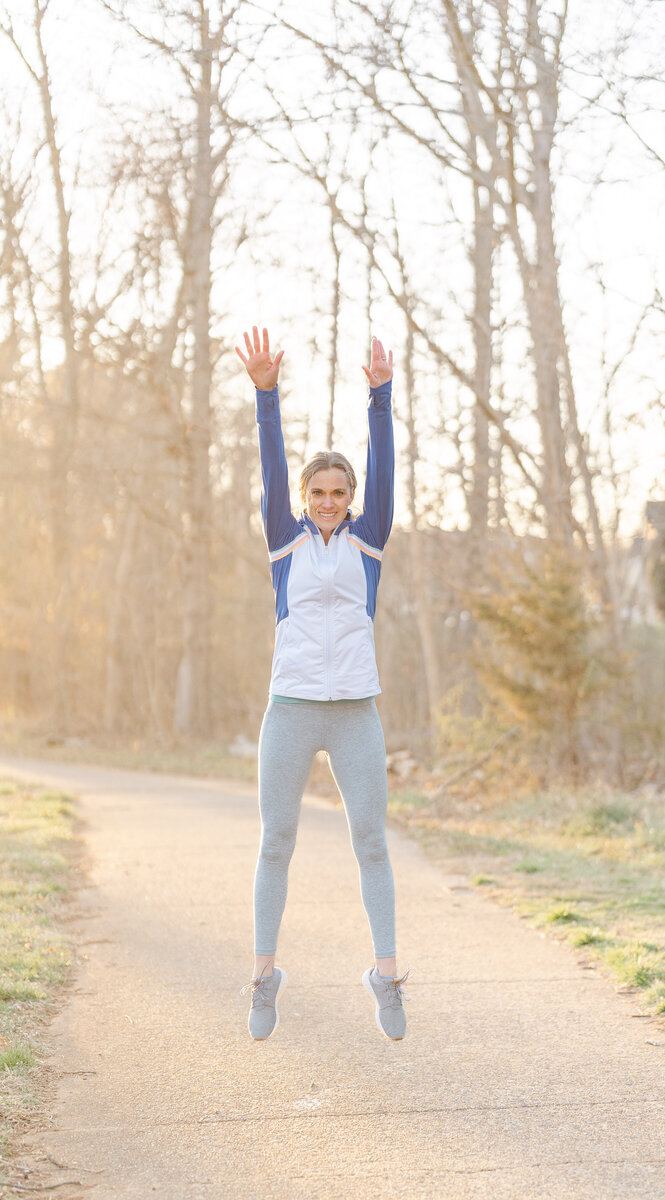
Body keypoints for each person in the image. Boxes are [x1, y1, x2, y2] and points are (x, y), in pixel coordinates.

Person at [234, 326, 409, 1042]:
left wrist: (380, 396)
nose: (330, 500)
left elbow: (386, 466)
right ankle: (264, 974)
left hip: (355, 715)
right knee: (277, 839)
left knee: (371, 838)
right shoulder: (285, 540)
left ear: (352, 498)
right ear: (305, 498)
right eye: (320, 492)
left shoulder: (370, 541)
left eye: (340, 491)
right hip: (293, 711)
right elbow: (271, 465)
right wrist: (265, 394)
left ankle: (387, 975)